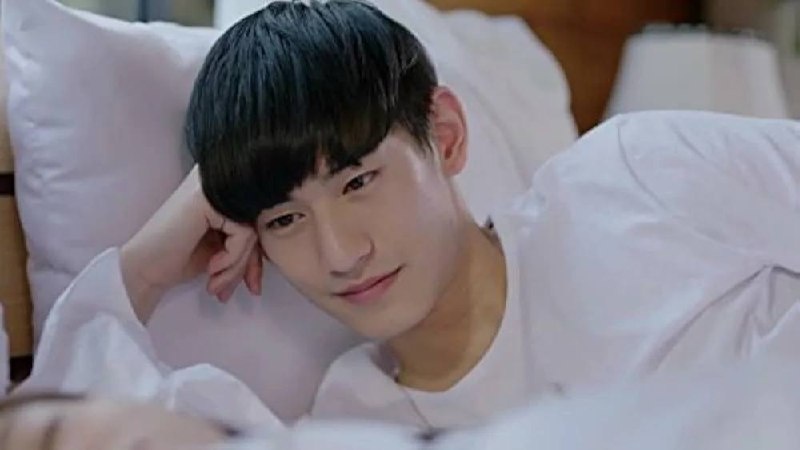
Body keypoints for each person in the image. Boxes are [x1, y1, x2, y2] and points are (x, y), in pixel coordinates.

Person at [27, 0, 800, 434]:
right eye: (285, 220)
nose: (340, 254)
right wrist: (150, 261)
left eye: (359, 180)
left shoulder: (632, 178)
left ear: (448, 135)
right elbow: (68, 424)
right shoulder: (355, 417)